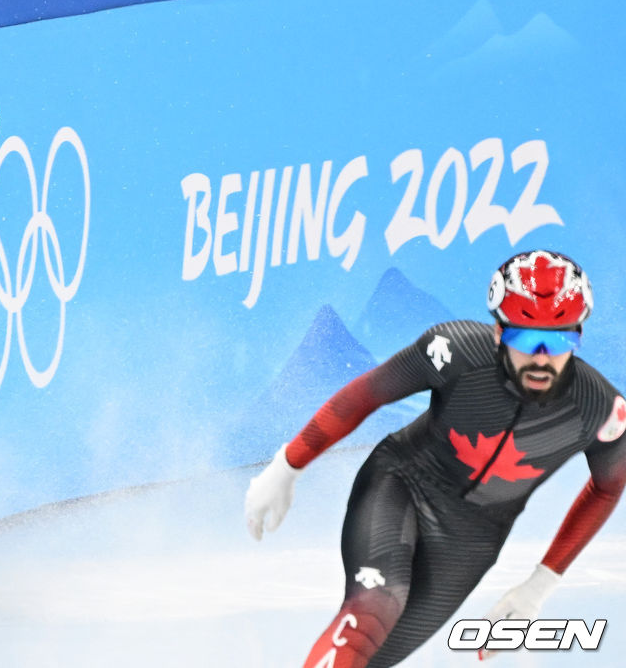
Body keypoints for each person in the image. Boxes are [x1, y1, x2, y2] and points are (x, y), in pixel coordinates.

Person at [244, 249, 626, 667]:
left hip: (469, 542)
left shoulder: (599, 409)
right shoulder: (454, 349)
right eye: (523, 336)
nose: (540, 357)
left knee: (372, 658)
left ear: (579, 337)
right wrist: (288, 465)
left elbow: (606, 489)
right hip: (401, 483)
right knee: (375, 606)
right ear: (498, 333)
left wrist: (541, 582)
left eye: (558, 340)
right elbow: (366, 393)